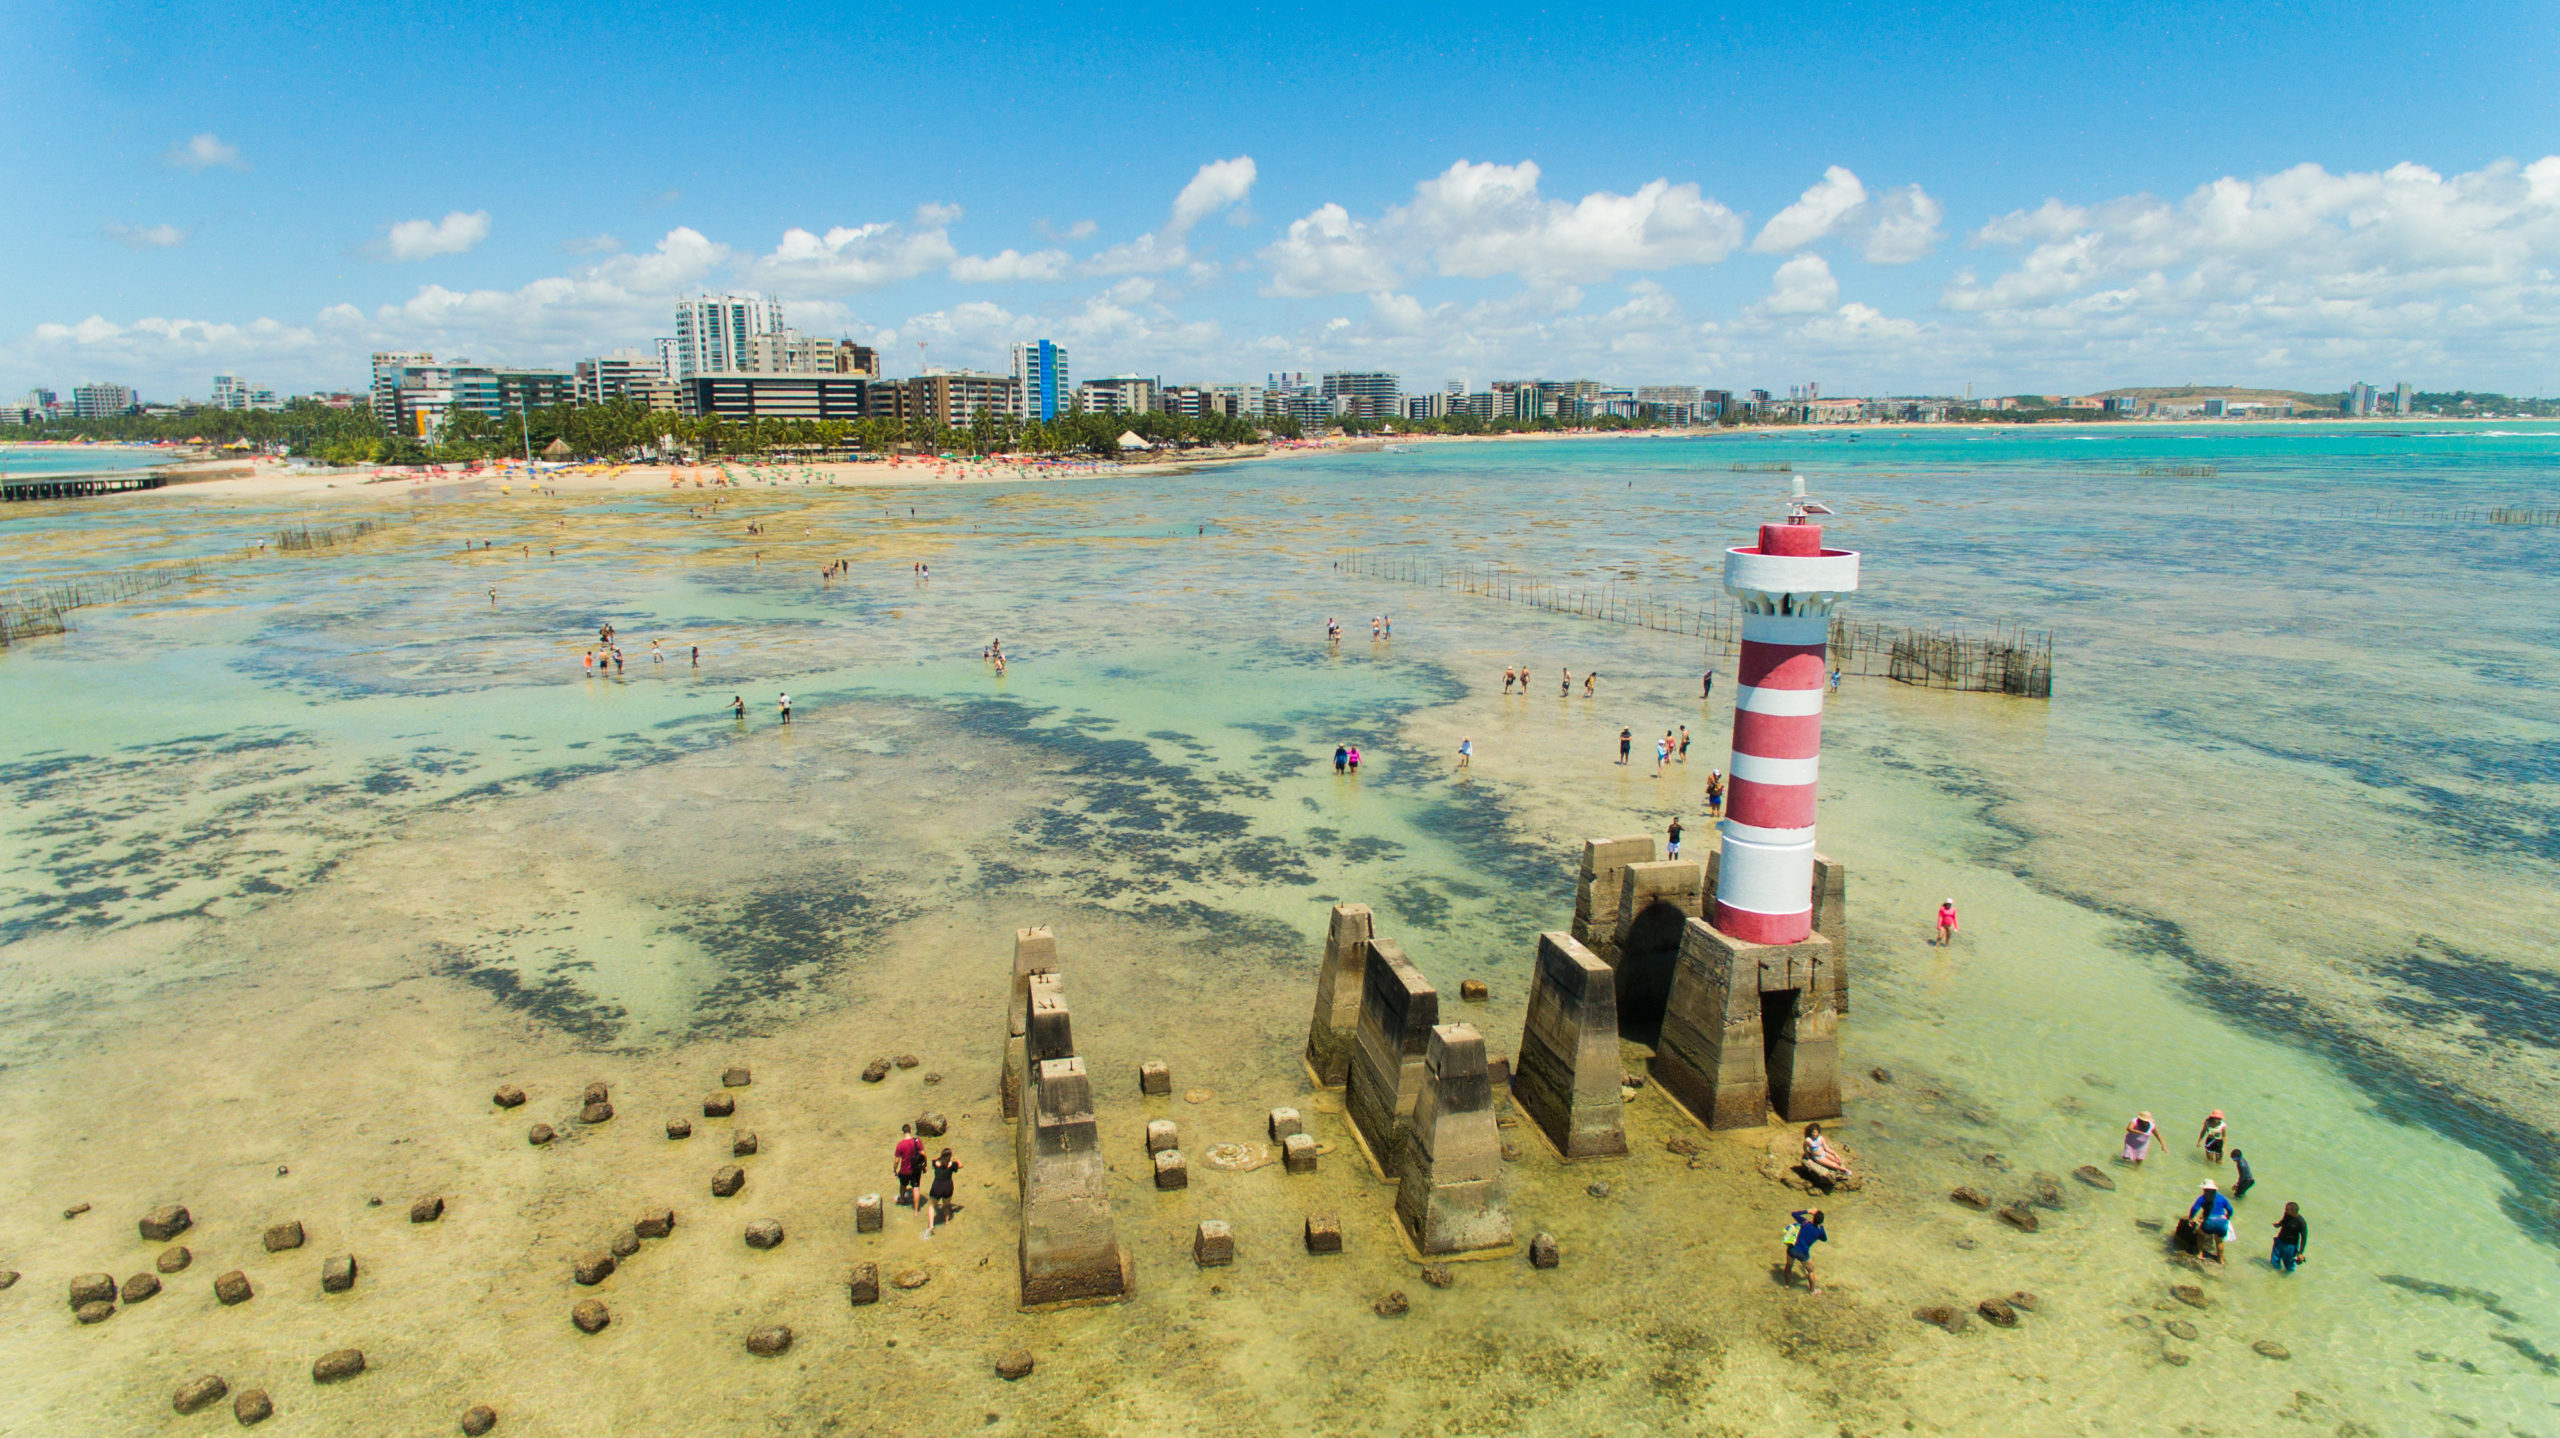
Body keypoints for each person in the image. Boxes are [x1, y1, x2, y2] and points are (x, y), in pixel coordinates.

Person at [1781, 1208, 1827, 1293]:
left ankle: (1787, 1285)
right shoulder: (1820, 1231)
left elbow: (1794, 1213)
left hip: (1792, 1248)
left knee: (1789, 1266)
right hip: (1803, 1253)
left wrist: (1807, 1211)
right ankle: (1812, 1291)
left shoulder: (1804, 1222)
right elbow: (1824, 1239)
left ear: (1813, 1217)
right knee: (1810, 1271)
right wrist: (1821, 1229)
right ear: (1821, 1221)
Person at [2188, 1180, 2233, 1261]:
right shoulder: (2222, 1198)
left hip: (2209, 1223)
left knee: (2200, 1233)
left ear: (2205, 1189)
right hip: (2222, 1223)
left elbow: (2194, 1209)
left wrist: (2191, 1218)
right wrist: (2227, 1216)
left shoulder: (2202, 1198)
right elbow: (2230, 1209)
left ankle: (2200, 1254)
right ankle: (2220, 1259)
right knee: (2219, 1241)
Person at [925, 1148, 962, 1233]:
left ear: (942, 1155)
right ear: (950, 1156)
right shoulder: (952, 1165)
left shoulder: (936, 1163)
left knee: (931, 1206)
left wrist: (940, 1156)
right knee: (946, 1205)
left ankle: (931, 1226)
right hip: (948, 1186)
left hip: (937, 1186)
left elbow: (933, 1159)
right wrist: (955, 1158)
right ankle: (947, 1222)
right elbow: (961, 1165)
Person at [893, 1125, 927, 1209]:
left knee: (903, 1185)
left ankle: (902, 1199)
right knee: (916, 1188)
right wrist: (924, 1166)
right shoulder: (917, 1141)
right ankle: (916, 1210)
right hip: (915, 1169)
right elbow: (923, 1154)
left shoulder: (900, 1145)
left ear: (902, 1132)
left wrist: (895, 1169)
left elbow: (897, 1161)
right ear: (911, 1130)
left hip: (904, 1170)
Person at [2270, 1201, 2309, 1273]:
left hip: (2290, 1247)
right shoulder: (2287, 1215)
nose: (2285, 1211)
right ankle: (2272, 1275)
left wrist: (2300, 1252)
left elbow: (2304, 1238)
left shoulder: (2301, 1223)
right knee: (2274, 1263)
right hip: (2279, 1242)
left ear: (2293, 1211)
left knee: (2289, 1268)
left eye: (2287, 1209)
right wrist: (2278, 1225)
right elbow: (2283, 1222)